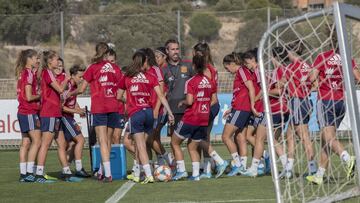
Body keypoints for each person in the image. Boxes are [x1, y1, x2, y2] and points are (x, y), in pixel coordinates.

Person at [306, 32, 360, 184]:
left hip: (325, 101)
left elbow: (311, 78)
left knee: (328, 138)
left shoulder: (323, 57)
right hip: (341, 102)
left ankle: (347, 158)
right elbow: (358, 78)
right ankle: (319, 175)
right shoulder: (348, 58)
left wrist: (316, 78)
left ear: (330, 42)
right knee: (326, 140)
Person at [117, 50, 175, 184]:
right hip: (149, 113)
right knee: (143, 144)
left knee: (140, 146)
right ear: (144, 62)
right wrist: (170, 112)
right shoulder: (150, 76)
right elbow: (161, 95)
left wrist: (129, 101)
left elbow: (118, 96)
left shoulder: (127, 77)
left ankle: (148, 175)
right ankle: (137, 173)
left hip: (136, 113)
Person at [171, 52, 228, 181]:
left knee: (174, 142)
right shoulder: (209, 82)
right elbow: (214, 100)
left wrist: (183, 102)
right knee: (192, 146)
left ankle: (181, 171)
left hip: (191, 117)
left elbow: (190, 101)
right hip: (204, 117)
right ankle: (196, 175)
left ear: (194, 66)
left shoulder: (191, 82)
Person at [78, 42, 123, 182]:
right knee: (108, 140)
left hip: (99, 107)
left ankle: (107, 173)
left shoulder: (93, 67)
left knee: (102, 140)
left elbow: (81, 89)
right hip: (114, 106)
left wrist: (69, 93)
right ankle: (102, 171)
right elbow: (122, 87)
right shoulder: (115, 68)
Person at [282, 41, 317, 178]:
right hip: (306, 102)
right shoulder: (307, 66)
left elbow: (282, 82)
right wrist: (305, 90)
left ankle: (313, 169)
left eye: (287, 53)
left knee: (304, 137)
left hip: (297, 102)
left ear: (292, 53)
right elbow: (315, 84)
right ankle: (289, 168)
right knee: (290, 135)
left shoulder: (291, 67)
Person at [35, 50, 70, 183]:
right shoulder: (47, 72)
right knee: (46, 143)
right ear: (50, 61)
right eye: (55, 59)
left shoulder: (50, 73)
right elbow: (60, 89)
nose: (58, 61)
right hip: (49, 112)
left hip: (56, 112)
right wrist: (66, 79)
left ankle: (66, 172)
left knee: (61, 143)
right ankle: (39, 173)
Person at [221, 52, 258, 176]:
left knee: (225, 136)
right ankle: (242, 166)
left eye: (227, 68)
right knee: (240, 137)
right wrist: (232, 108)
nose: (227, 71)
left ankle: (237, 165)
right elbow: (240, 93)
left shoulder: (242, 71)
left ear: (232, 64)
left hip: (242, 109)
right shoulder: (240, 73)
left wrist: (252, 105)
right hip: (240, 108)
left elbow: (251, 88)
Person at [192, 42, 220, 179]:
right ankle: (207, 167)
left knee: (201, 138)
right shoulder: (210, 68)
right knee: (202, 137)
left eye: (195, 53)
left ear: (200, 54)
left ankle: (211, 166)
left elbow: (210, 93)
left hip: (208, 105)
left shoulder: (207, 69)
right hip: (209, 105)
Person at [16, 49, 41, 182]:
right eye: (36, 58)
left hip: (22, 111)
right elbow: (29, 96)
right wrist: (42, 96)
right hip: (29, 111)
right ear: (29, 59)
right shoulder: (29, 73)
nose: (37, 60)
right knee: (37, 141)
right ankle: (30, 173)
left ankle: (23, 174)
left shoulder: (23, 73)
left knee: (26, 142)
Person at [61, 64, 91, 178]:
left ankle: (66, 168)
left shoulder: (74, 87)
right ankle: (78, 169)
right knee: (80, 140)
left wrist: (79, 110)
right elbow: (61, 107)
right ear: (72, 75)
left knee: (73, 143)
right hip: (64, 117)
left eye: (83, 77)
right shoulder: (68, 86)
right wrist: (77, 111)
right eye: (80, 76)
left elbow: (73, 101)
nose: (82, 79)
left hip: (70, 117)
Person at [162, 39, 194, 137]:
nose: (176, 52)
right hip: (173, 110)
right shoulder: (163, 68)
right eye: (173, 49)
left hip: (188, 109)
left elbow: (196, 83)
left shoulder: (188, 64)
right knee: (173, 141)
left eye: (177, 49)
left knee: (194, 139)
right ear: (167, 51)